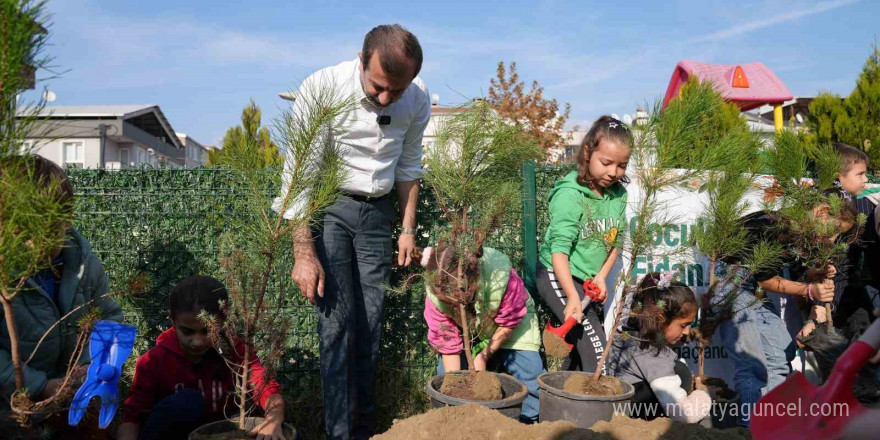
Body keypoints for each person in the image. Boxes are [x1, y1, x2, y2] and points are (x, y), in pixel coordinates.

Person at [276, 24, 430, 440]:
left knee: (371, 326)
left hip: (377, 216)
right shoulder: (323, 88)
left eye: (395, 92)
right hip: (329, 212)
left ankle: (365, 431)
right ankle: (338, 433)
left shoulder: (417, 98)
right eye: (378, 86)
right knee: (337, 326)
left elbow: (409, 167)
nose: (385, 99)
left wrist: (407, 228)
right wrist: (303, 253)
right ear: (360, 60)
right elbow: (301, 175)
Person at [712, 199, 857, 427]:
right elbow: (766, 279)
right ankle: (750, 428)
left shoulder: (796, 231)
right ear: (822, 212)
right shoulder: (776, 227)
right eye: (834, 231)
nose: (831, 240)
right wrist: (810, 290)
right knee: (753, 364)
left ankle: (771, 424)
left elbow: (770, 278)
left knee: (781, 353)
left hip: (754, 291)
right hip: (732, 287)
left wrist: (814, 272)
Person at [0, 155, 123, 407]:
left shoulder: (84, 265)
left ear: (67, 219)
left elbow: (108, 317)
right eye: (25, 230)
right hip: (10, 405)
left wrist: (91, 365)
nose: (38, 241)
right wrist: (40, 386)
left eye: (51, 227)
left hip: (71, 397)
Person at [118, 276, 285, 440]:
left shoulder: (235, 350)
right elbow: (133, 419)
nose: (197, 342)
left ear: (222, 320)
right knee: (188, 401)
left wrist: (274, 419)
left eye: (207, 331)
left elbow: (264, 386)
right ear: (173, 320)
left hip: (221, 432)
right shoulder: (153, 361)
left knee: (283, 433)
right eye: (188, 332)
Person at [534, 116, 630, 373]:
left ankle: (559, 407)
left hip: (587, 280)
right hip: (557, 274)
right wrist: (573, 295)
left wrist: (601, 277)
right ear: (587, 153)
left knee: (580, 355)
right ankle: (598, 411)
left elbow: (616, 240)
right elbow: (559, 252)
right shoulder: (570, 195)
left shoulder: (618, 195)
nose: (614, 172)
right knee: (598, 354)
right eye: (606, 163)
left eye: (622, 165)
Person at [420, 245, 544, 423]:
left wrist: (484, 356)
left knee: (529, 372)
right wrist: (456, 386)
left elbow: (511, 319)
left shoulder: (500, 276)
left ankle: (528, 422)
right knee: (446, 375)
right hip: (468, 329)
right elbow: (447, 343)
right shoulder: (436, 292)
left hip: (509, 323)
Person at [608, 272, 711, 424]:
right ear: (661, 319)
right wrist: (703, 393)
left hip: (621, 412)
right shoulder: (652, 353)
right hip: (636, 423)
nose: (687, 331)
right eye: (683, 325)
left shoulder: (629, 337)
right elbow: (685, 415)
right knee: (681, 372)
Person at [830, 143, 878, 339]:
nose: (866, 180)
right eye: (860, 174)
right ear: (837, 176)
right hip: (831, 295)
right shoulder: (823, 209)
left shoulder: (866, 203)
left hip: (860, 288)